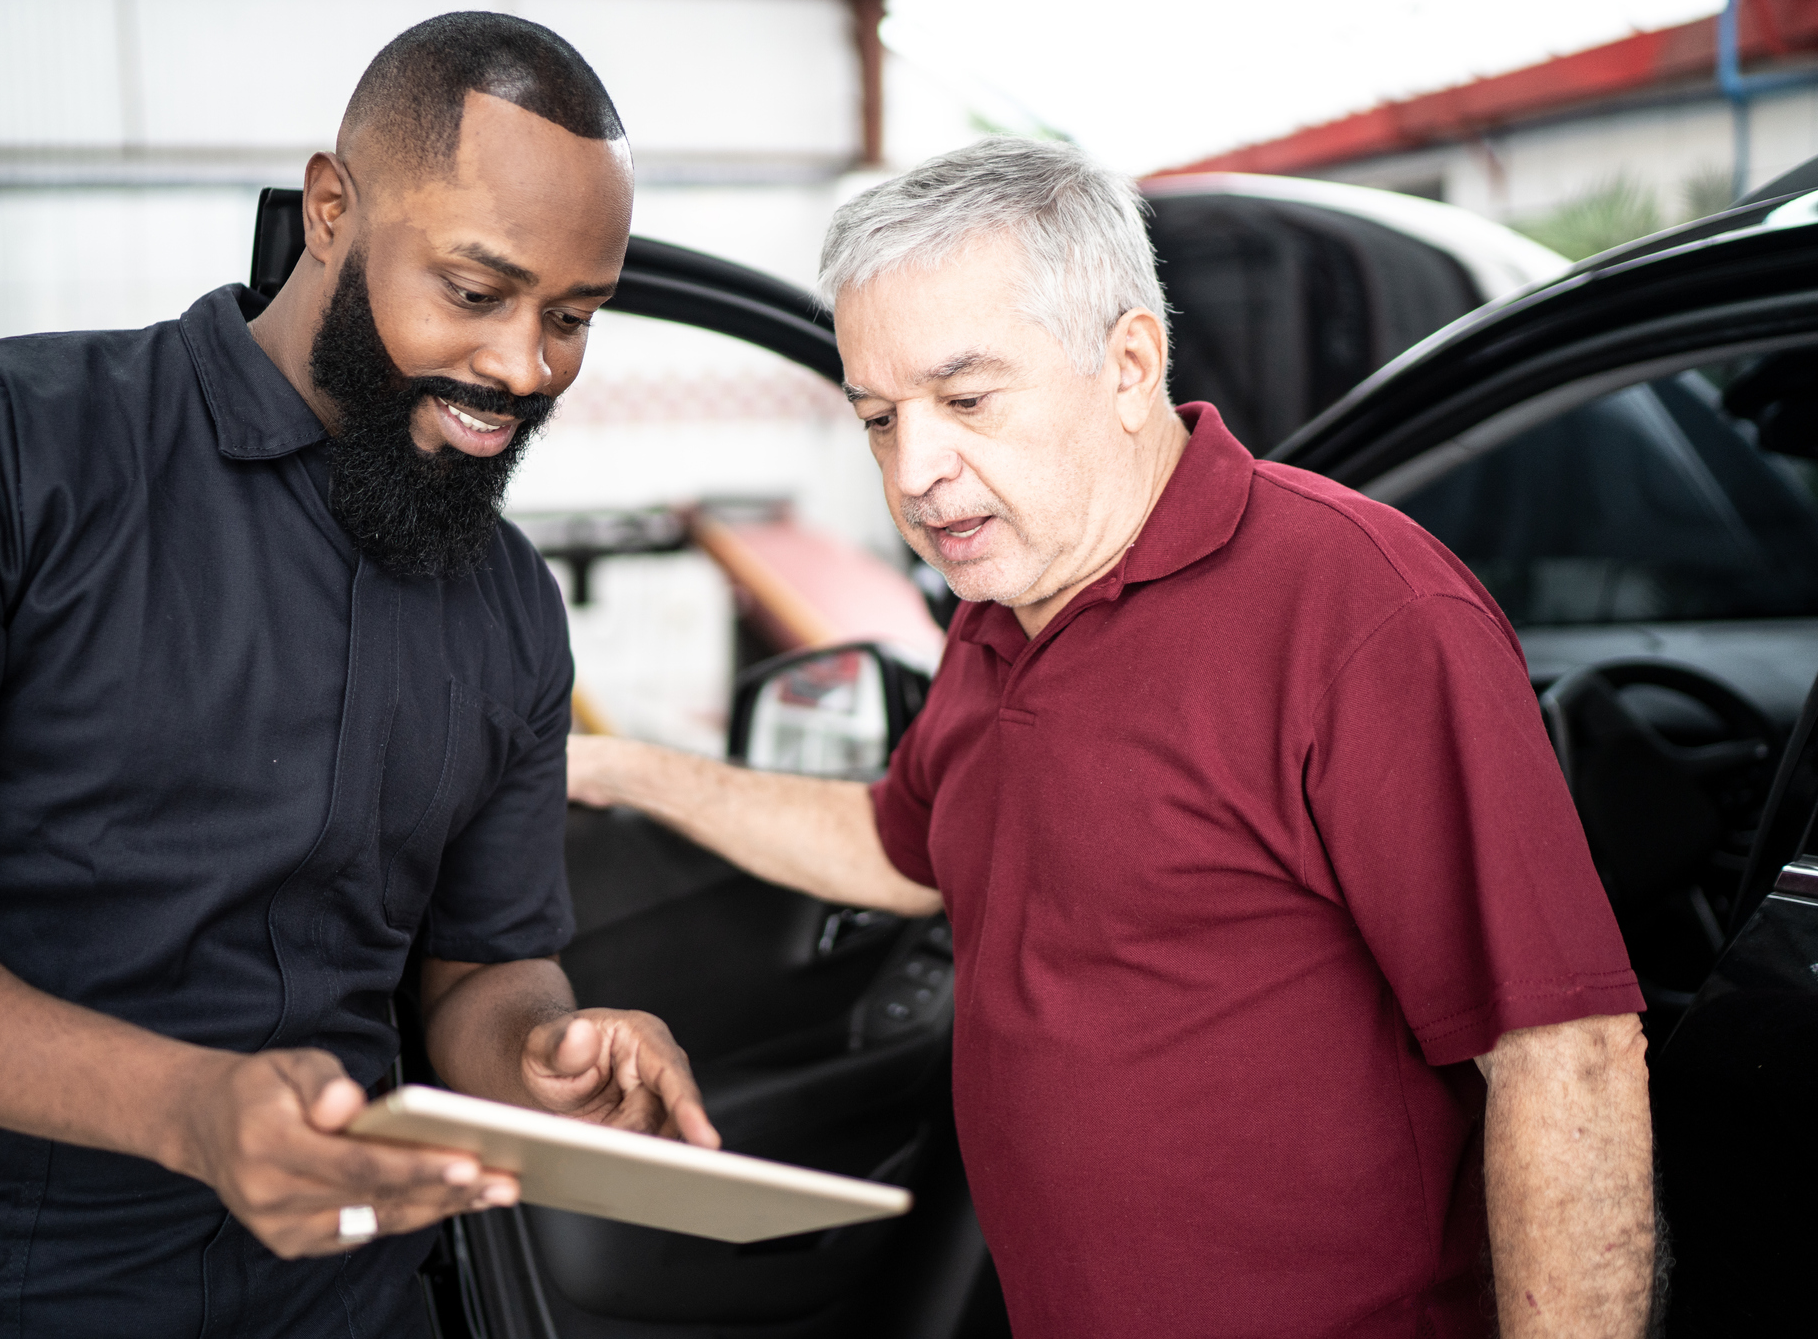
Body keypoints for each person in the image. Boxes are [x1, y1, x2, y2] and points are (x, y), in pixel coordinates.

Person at [0, 12, 714, 1337]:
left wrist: (548, 1067)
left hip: (346, 1308)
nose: (524, 367)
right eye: (476, 292)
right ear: (334, 211)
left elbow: (479, 974)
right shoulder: (7, 448)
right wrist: (188, 1108)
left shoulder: (510, 606)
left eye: (573, 316)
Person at [570, 138, 1657, 1339]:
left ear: (1128, 362)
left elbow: (1563, 1054)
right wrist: (613, 768)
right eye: (879, 418)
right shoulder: (998, 614)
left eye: (966, 399)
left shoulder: (1359, 612)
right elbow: (899, 847)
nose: (917, 471)